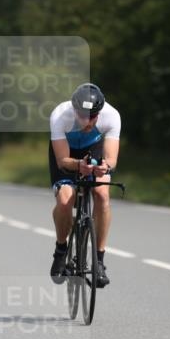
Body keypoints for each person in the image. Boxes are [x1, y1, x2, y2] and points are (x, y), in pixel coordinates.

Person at [48, 83, 121, 288]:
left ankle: (99, 260)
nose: (87, 122)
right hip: (67, 153)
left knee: (102, 194)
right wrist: (79, 165)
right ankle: (61, 250)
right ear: (74, 110)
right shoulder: (60, 116)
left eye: (92, 117)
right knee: (64, 199)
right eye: (82, 116)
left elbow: (111, 158)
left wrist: (104, 167)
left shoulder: (111, 115)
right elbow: (62, 160)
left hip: (94, 148)